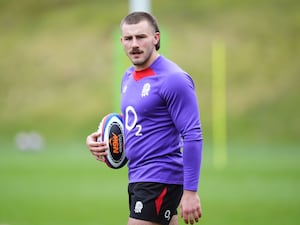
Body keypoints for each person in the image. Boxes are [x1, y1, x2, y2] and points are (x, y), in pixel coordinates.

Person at [86, 11, 203, 225]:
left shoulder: (173, 79)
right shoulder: (128, 76)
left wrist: (190, 192)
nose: (134, 44)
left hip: (159, 176)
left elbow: (193, 134)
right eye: (128, 38)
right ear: (121, 41)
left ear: (156, 38)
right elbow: (138, 119)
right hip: (138, 176)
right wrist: (99, 139)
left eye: (141, 37)